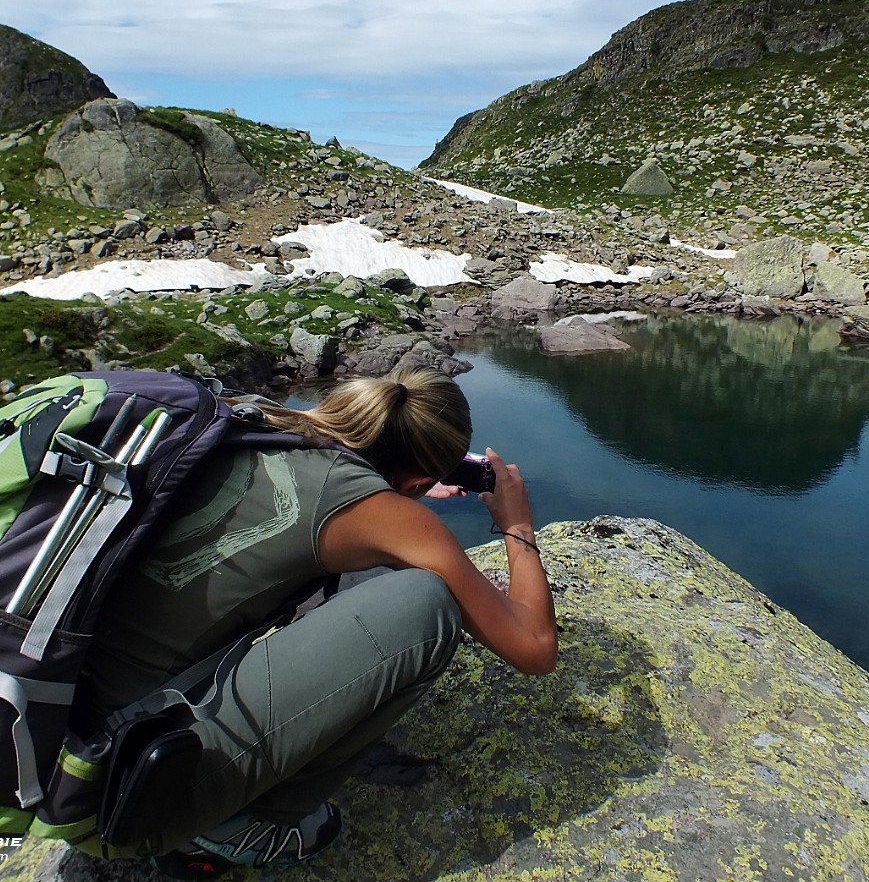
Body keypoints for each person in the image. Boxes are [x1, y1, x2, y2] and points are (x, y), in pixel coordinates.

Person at [82, 366, 557, 877]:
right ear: (417, 480)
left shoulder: (253, 418)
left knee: (372, 563)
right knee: (427, 602)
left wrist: (398, 487)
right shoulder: (382, 509)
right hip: (119, 792)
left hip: (53, 728)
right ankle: (237, 826)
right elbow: (534, 647)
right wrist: (517, 524)